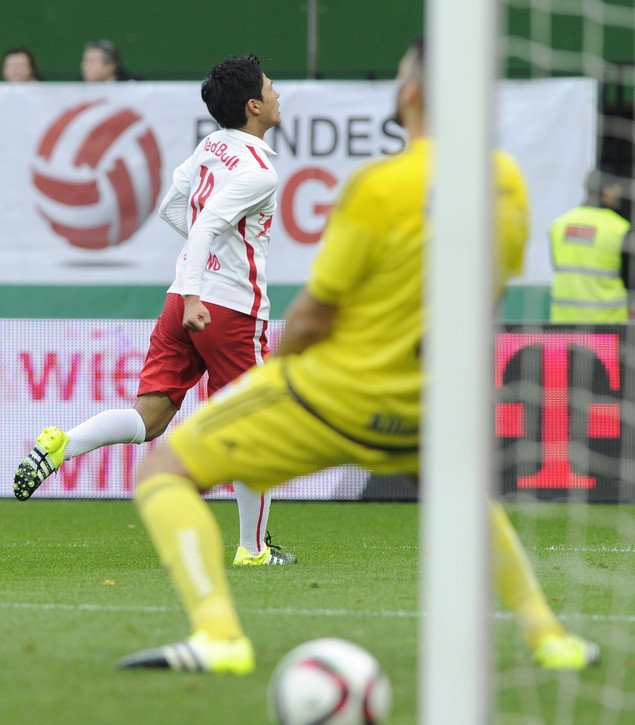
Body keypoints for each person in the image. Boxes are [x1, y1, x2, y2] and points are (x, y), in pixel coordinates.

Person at [65, 37, 602, 674]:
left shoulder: (378, 185)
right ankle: (548, 636)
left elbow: (318, 311)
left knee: (164, 471)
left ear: (408, 95)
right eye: (271, 85)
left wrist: (277, 372)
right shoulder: (505, 182)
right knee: (466, 502)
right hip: (427, 397)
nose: (278, 92)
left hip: (335, 394)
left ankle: (220, 633)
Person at [14, 54, 296, 567]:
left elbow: (172, 207)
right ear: (254, 106)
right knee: (255, 426)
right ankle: (253, 549)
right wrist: (200, 290)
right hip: (228, 310)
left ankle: (62, 445)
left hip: (180, 298)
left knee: (151, 417)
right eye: (271, 87)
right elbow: (206, 224)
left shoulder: (211, 146)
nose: (278, 94)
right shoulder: (259, 172)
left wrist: (194, 281)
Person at [549, 170, 633, 322]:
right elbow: (630, 278)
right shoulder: (619, 229)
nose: (619, 194)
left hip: (563, 323)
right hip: (608, 326)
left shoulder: (559, 225)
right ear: (606, 192)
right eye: (616, 189)